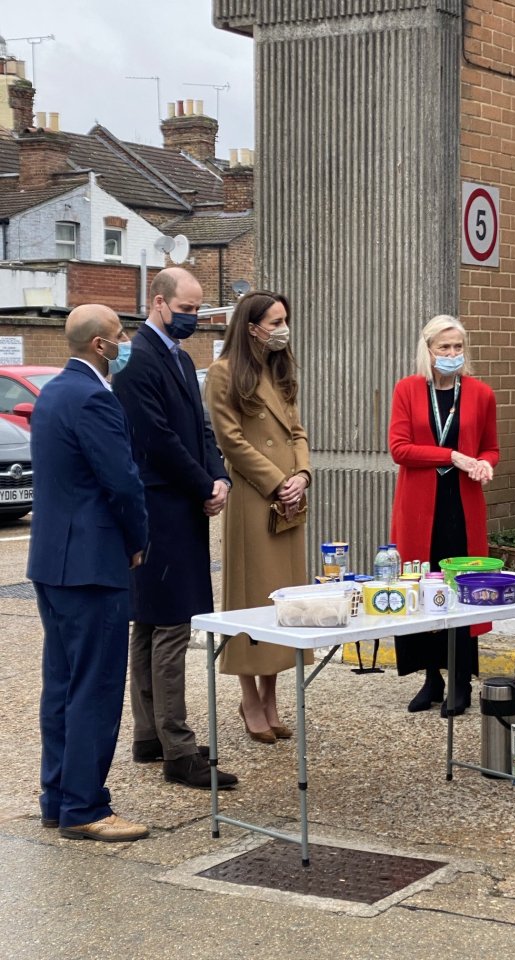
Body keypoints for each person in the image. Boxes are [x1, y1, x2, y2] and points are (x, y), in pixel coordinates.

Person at [113, 267, 238, 790]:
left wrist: (218, 477)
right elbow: (157, 438)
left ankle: (150, 735)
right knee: (169, 627)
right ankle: (178, 749)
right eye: (186, 309)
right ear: (159, 304)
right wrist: (199, 485)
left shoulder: (181, 358)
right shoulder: (137, 361)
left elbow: (201, 428)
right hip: (161, 506)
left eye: (198, 308)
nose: (193, 317)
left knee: (151, 623)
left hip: (183, 500)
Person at [28, 304, 150, 842]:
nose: (126, 343)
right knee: (96, 688)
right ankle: (85, 807)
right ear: (100, 344)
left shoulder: (54, 392)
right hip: (93, 563)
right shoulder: (95, 398)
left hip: (52, 560)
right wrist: (138, 540)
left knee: (61, 683)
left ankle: (57, 796)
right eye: (121, 335)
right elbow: (122, 482)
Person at [204, 291, 312, 743]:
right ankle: (250, 696)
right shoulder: (224, 372)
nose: (282, 328)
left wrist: (302, 475)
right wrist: (276, 480)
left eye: (285, 319)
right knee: (251, 598)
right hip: (255, 498)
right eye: (275, 321)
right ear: (251, 326)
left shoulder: (280, 369)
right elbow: (230, 441)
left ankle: (271, 695)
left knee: (283, 601)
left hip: (290, 498)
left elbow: (298, 431)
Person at [388, 315, 499, 716]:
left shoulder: (481, 393)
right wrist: (451, 455)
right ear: (428, 350)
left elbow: (490, 447)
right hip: (419, 507)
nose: (452, 354)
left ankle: (460, 679)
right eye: (444, 348)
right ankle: (430, 677)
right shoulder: (409, 390)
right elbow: (399, 448)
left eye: (457, 347)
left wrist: (485, 464)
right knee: (421, 587)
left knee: (460, 588)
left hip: (462, 505)